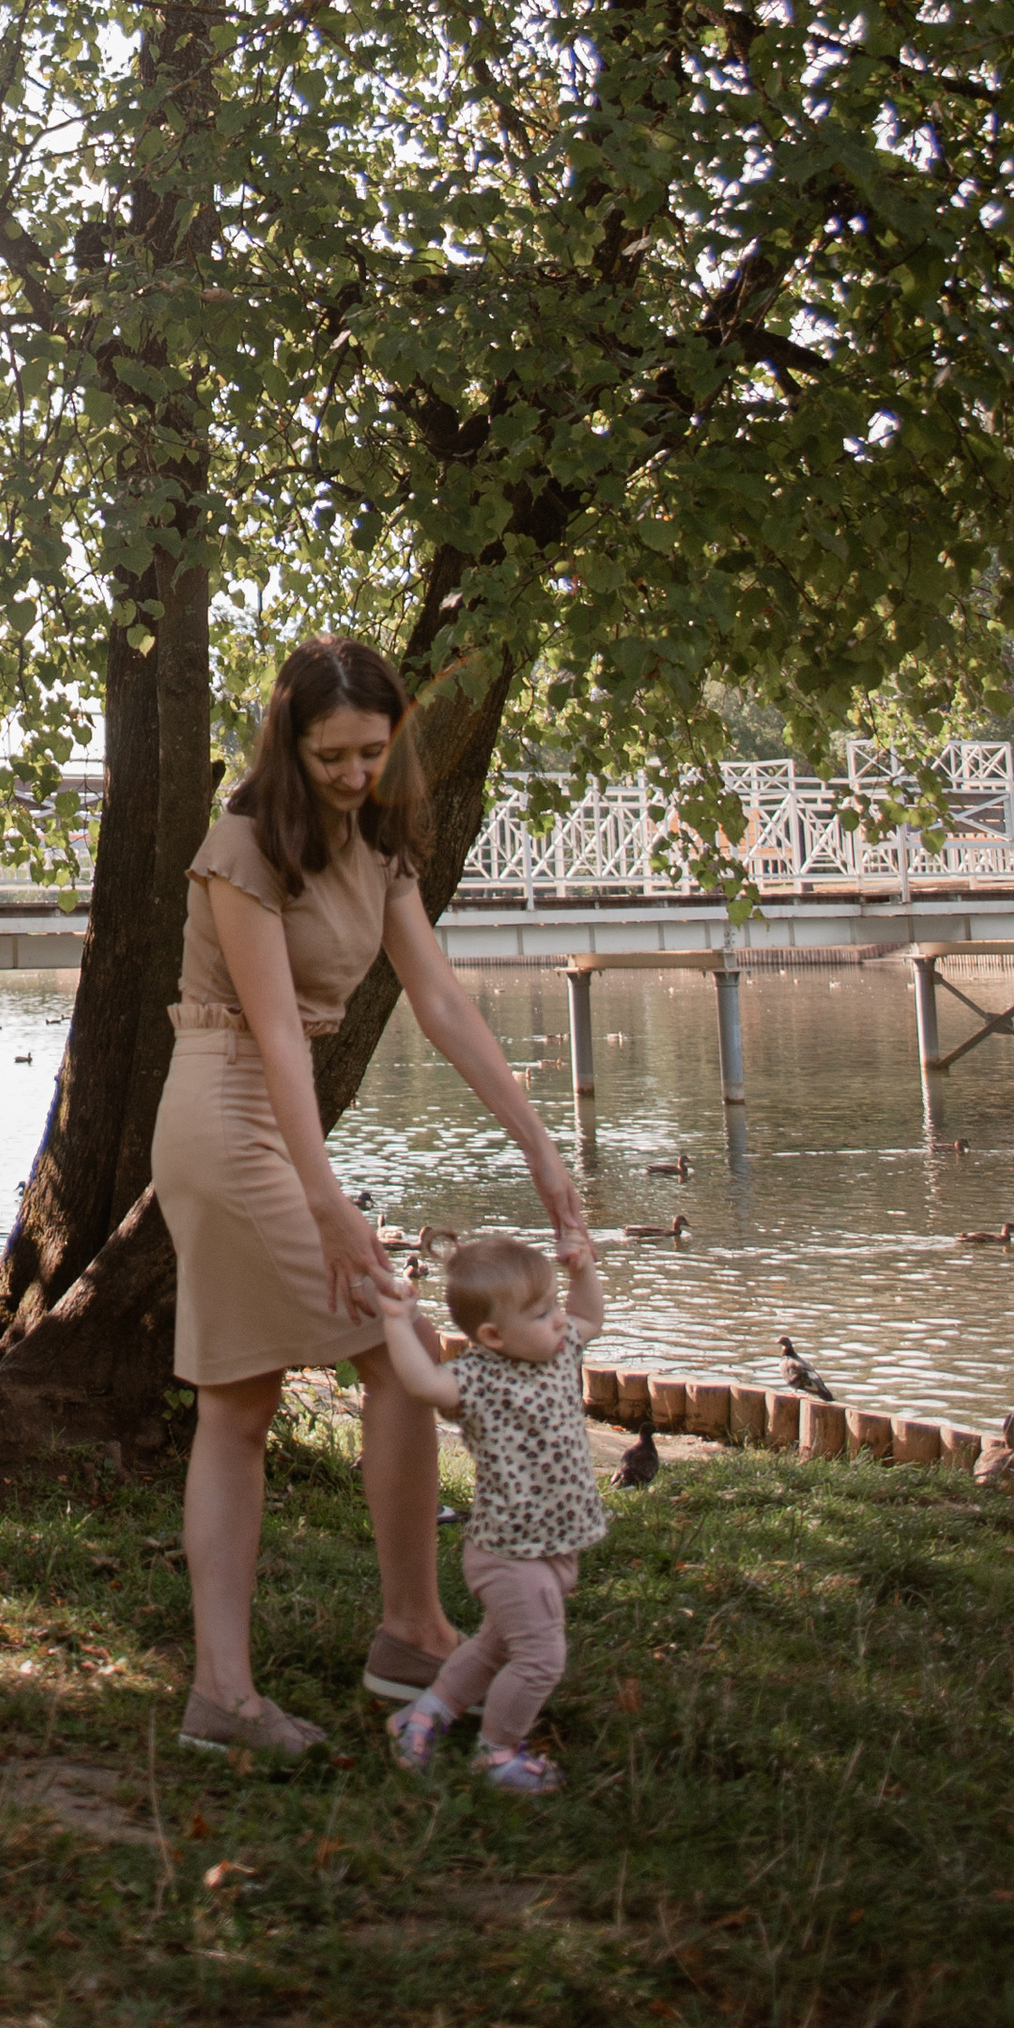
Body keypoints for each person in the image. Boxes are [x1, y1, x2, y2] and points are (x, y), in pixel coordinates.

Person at [151, 635, 590, 1761]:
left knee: (275, 1392)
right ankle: (261, 1680)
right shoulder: (243, 844)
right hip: (227, 1110)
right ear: (288, 745)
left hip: (267, 1117)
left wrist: (540, 1148)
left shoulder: (374, 844)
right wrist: (330, 1199)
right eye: (332, 754)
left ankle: (382, 1638)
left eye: (371, 752)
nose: (353, 774)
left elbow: (439, 999)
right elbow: (279, 1045)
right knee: (369, 1348)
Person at [374, 1228, 609, 1794]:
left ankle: (422, 1716)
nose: (558, 1320)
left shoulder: (558, 1352)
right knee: (540, 1659)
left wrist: (582, 1273)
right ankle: (497, 1752)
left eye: (553, 1306)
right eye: (540, 1312)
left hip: (554, 1547)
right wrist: (397, 1322)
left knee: (492, 1647)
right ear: (492, 1336)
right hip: (508, 1555)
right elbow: (423, 1383)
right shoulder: (477, 1379)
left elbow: (591, 1319)